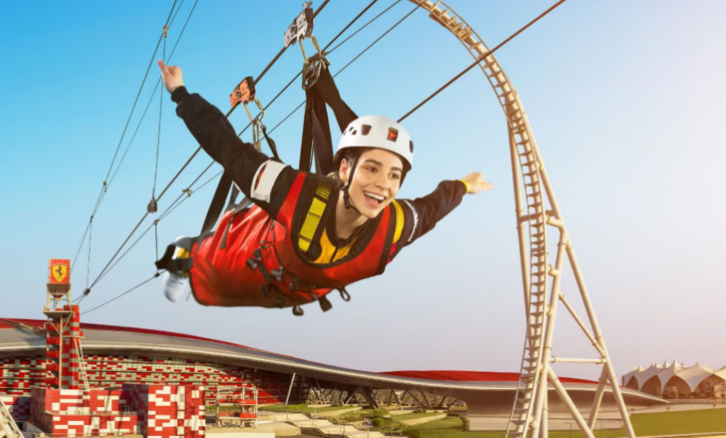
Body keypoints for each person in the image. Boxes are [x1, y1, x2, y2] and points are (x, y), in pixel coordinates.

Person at [156, 59, 494, 314]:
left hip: (287, 291)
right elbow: (227, 148)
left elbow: (433, 208)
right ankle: (183, 252)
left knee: (218, 285)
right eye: (372, 169)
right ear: (345, 170)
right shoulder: (292, 191)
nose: (382, 185)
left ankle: (192, 256)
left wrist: (465, 185)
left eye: (394, 175)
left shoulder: (395, 224)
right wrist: (180, 94)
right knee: (203, 265)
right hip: (243, 261)